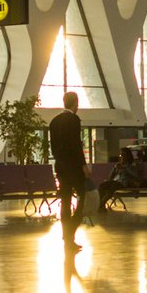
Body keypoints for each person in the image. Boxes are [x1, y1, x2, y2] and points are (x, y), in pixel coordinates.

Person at [49, 91, 89, 222]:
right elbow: (76, 144)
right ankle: (76, 221)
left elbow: (54, 147)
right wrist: (83, 165)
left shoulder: (54, 121)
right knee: (82, 193)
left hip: (61, 167)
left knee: (65, 198)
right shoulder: (74, 119)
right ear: (75, 103)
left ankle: (66, 227)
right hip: (74, 166)